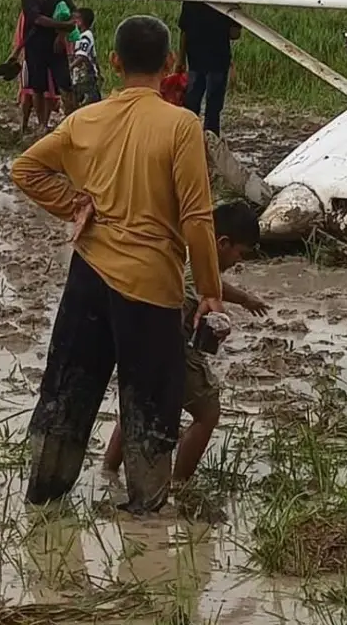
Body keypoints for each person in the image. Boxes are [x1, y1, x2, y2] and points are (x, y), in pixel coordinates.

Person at [10, 15, 224, 514]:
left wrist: (74, 203)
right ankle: (145, 516)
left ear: (114, 62)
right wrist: (210, 290)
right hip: (150, 286)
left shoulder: (85, 119)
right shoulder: (181, 125)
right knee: (149, 403)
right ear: (169, 63)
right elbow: (196, 217)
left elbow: (26, 169)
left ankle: (43, 499)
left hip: (88, 275)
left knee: (66, 392)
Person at [103, 200, 268, 484]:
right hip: (168, 344)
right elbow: (191, 298)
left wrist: (243, 299)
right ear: (222, 243)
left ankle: (108, 470)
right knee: (208, 412)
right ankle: (180, 483)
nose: (238, 261)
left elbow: (210, 284)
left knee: (137, 402)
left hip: (135, 334)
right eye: (240, 254)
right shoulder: (199, 268)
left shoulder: (188, 248)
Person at [179, 1, 239, 135]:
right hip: (218, 60)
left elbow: (184, 31)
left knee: (191, 105)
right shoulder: (227, 0)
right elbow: (235, 34)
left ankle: (188, 136)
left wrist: (181, 59)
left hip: (195, 59)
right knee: (213, 107)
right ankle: (211, 140)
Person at [21, 0, 76, 129]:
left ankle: (71, 122)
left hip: (56, 44)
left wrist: (61, 34)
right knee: (38, 86)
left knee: (65, 83)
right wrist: (63, 25)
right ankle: (42, 125)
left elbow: (73, 11)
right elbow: (37, 19)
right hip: (35, 43)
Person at [69, 8, 102, 107]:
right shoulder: (79, 36)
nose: (74, 21)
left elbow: (82, 56)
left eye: (76, 18)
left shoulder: (86, 36)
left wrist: (70, 67)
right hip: (80, 77)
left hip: (86, 76)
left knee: (89, 102)